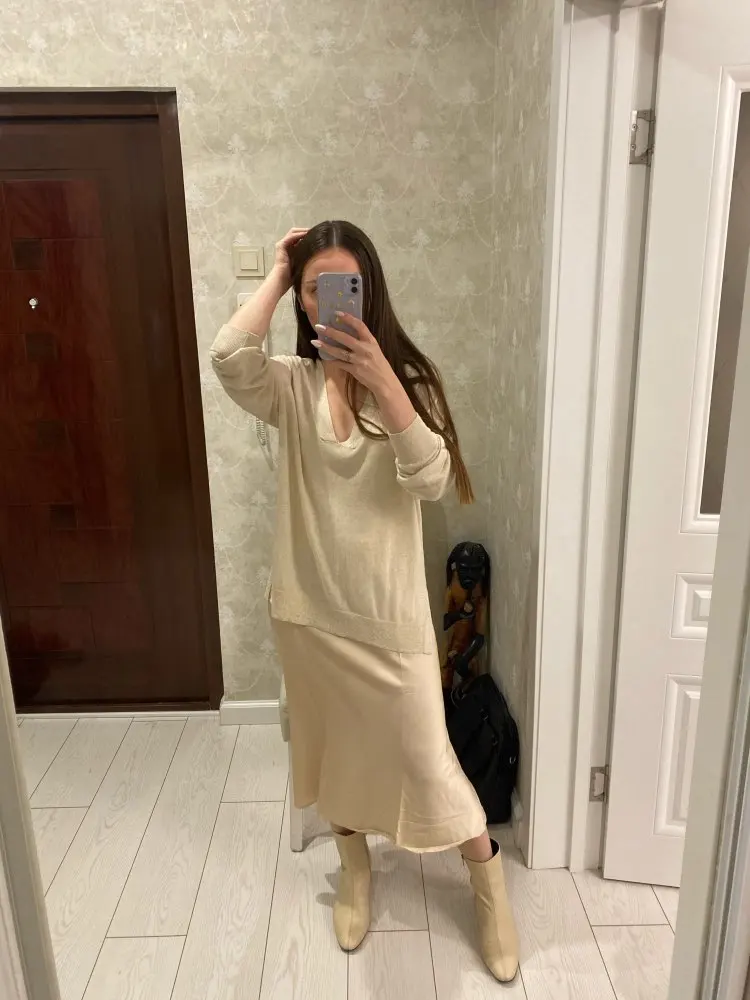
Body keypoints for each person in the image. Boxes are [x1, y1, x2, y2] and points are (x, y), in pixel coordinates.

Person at [210, 221, 519, 982]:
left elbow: (431, 479)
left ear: (369, 289)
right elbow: (227, 357)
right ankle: (355, 869)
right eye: (315, 289)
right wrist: (276, 272)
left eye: (343, 285)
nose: (330, 300)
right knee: (334, 754)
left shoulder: (408, 383)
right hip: (309, 615)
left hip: (389, 620)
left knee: (426, 758)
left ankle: (487, 883)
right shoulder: (290, 383)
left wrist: (383, 381)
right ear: (304, 301)